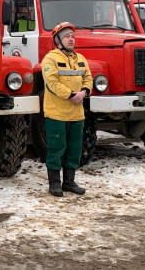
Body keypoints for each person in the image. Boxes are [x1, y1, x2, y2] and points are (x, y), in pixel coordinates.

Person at [41, 22, 93, 197]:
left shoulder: (81, 59)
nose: (71, 39)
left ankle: (69, 182)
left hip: (77, 114)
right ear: (58, 40)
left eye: (72, 36)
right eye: (66, 36)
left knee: (74, 149)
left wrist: (84, 92)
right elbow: (52, 83)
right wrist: (73, 95)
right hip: (56, 114)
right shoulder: (50, 59)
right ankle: (54, 184)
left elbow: (88, 78)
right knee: (56, 148)